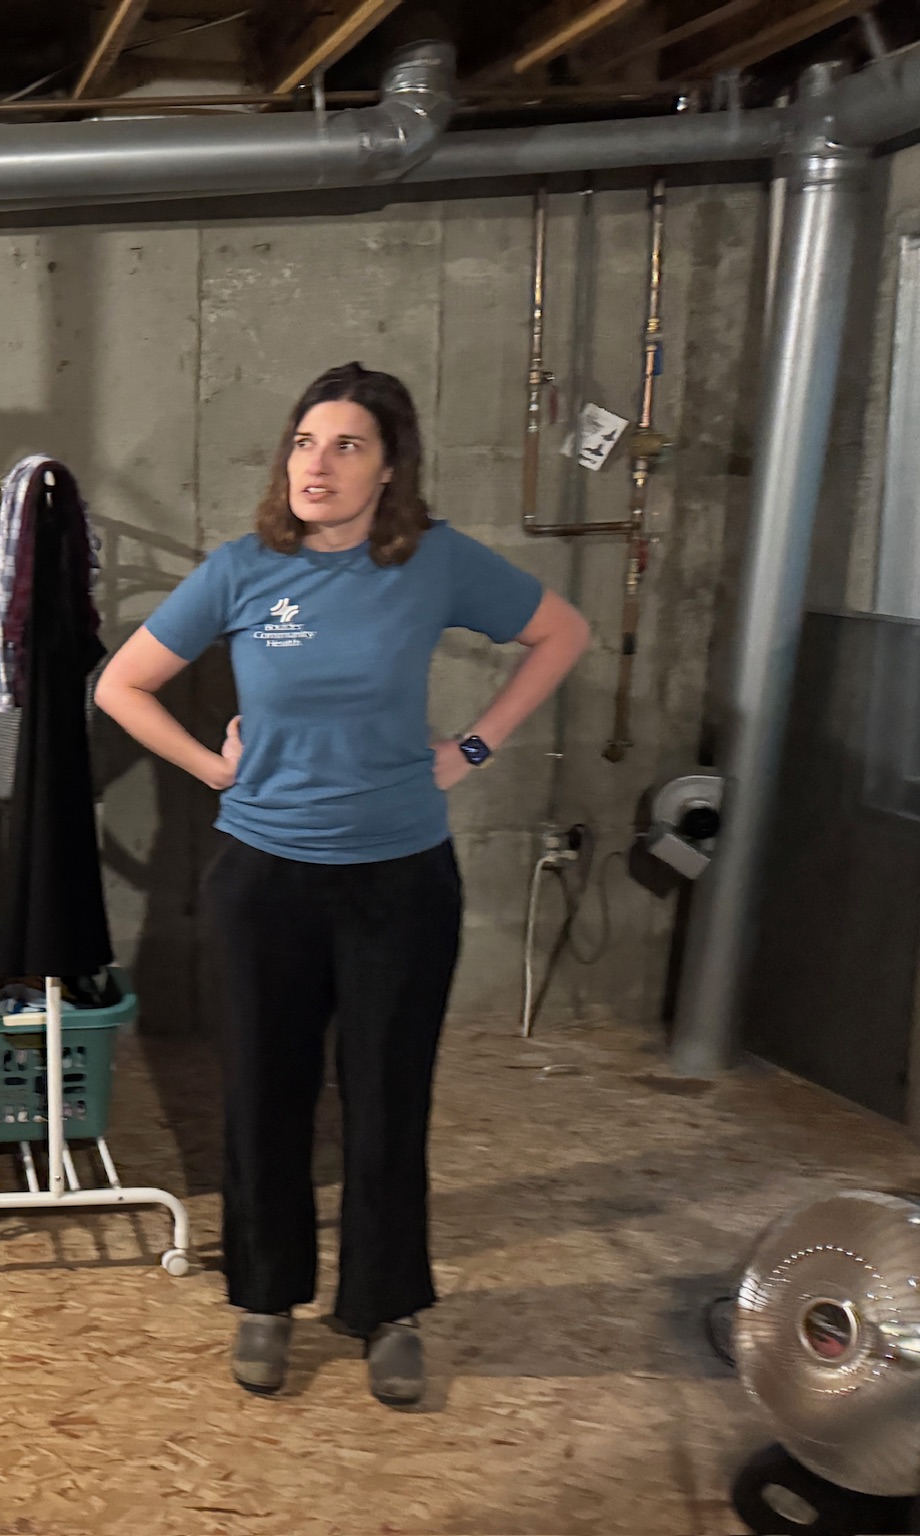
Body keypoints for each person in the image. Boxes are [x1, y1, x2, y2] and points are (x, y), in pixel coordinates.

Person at [94, 361, 588, 1408]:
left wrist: (474, 746)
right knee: (262, 1097)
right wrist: (213, 768)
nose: (317, 464)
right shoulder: (242, 569)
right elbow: (121, 684)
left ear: (389, 467)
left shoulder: (434, 562)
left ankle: (386, 1308)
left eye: (347, 445)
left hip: (398, 880)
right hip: (264, 877)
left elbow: (562, 633)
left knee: (386, 1100)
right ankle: (265, 1299)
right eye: (304, 442)